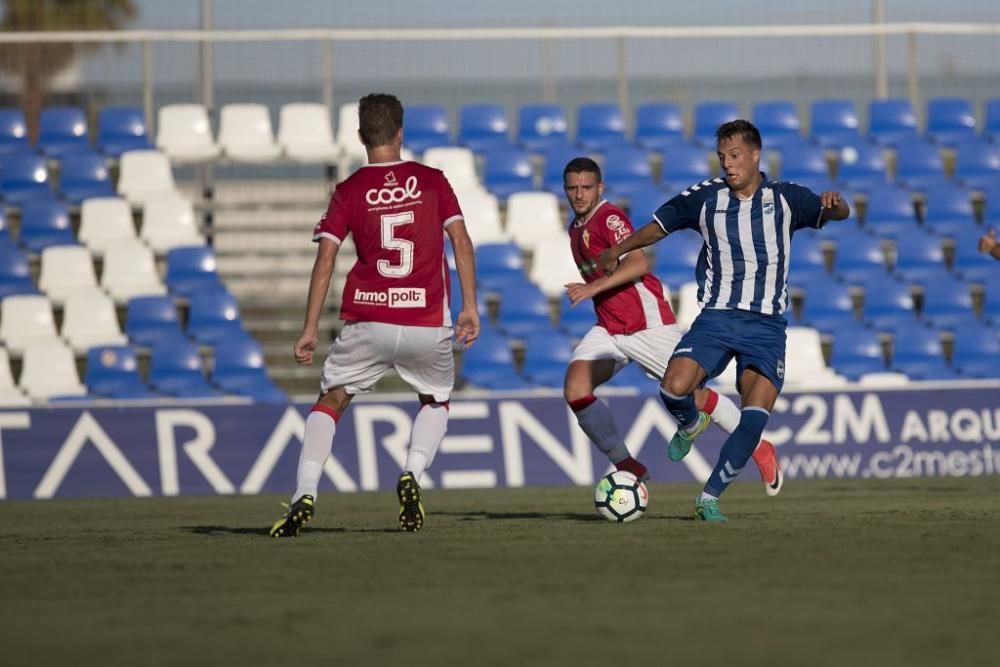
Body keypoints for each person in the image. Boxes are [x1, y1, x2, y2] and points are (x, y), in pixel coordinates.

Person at [600, 119, 850, 522]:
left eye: (734, 156)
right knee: (673, 388)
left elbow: (839, 212)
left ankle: (709, 498)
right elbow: (658, 228)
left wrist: (836, 205)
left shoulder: (787, 199)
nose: (728, 165)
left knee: (753, 417)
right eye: (721, 157)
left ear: (755, 155)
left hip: (767, 326)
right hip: (717, 317)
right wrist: (619, 250)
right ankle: (690, 423)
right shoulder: (706, 198)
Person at [270, 93, 480, 537]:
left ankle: (304, 492)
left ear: (361, 135)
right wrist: (470, 307)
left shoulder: (348, 191)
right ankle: (412, 472)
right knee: (436, 401)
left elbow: (325, 261)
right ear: (401, 132)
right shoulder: (432, 181)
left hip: (369, 320)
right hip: (426, 321)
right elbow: (461, 243)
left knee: (332, 401)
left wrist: (309, 328)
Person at [561, 156, 782, 493]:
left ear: (599, 188)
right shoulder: (574, 227)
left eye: (586, 187)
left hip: (645, 324)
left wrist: (591, 288)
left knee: (693, 396)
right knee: (576, 388)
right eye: (573, 188)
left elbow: (637, 261)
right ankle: (626, 464)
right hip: (609, 327)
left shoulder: (609, 218)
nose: (579, 194)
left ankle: (759, 446)